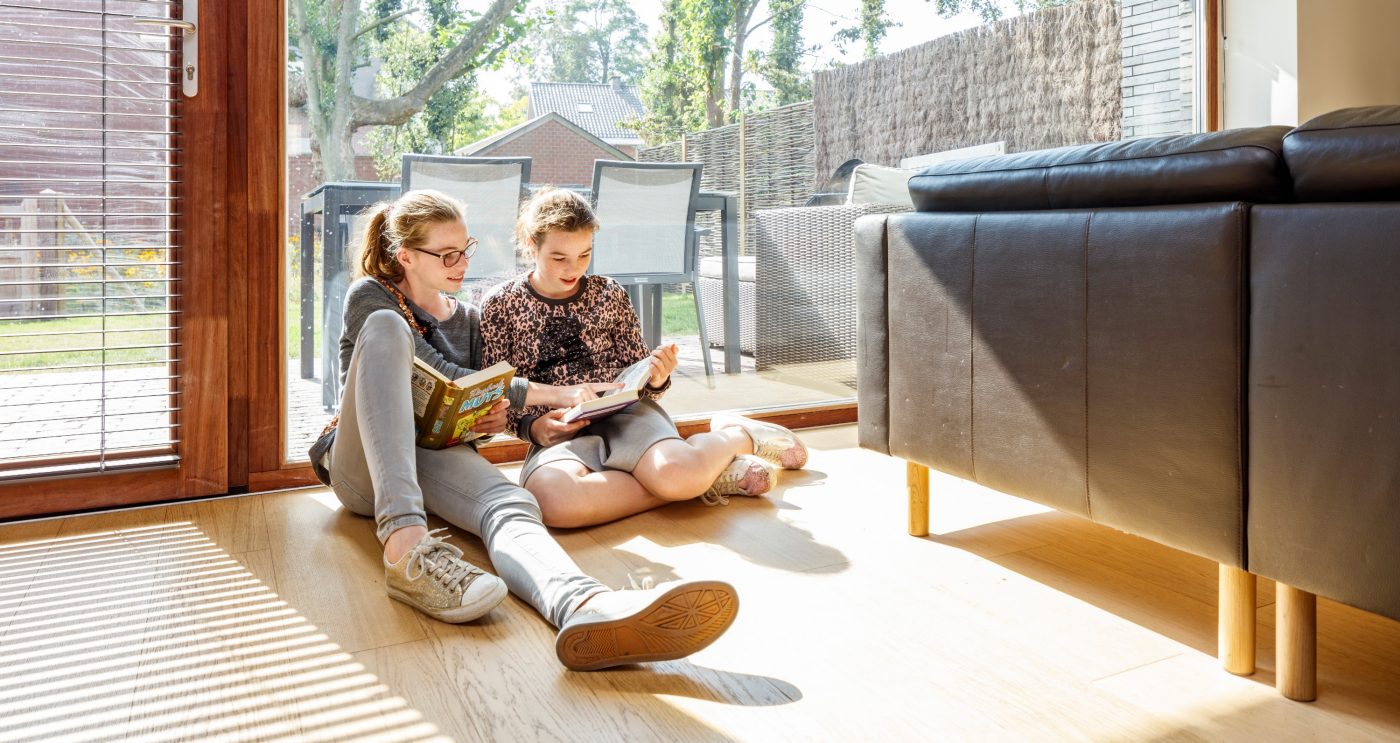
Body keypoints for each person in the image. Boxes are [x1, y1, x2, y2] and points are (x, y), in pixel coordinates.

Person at [321, 188, 737, 671]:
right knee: (387, 327)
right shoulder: (371, 296)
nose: (462, 263)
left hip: (431, 454)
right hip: (361, 469)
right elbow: (443, 373)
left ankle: (585, 606)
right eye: (447, 254)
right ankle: (405, 547)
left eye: (466, 249)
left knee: (512, 503)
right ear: (406, 256)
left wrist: (489, 421)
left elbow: (475, 400)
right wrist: (557, 394)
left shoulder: (470, 320)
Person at [479, 188, 809, 529]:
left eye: (585, 254)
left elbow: (640, 379)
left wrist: (657, 377)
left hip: (627, 416)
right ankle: (702, 479)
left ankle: (737, 435)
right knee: (554, 502)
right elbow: (496, 391)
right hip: (559, 430)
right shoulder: (501, 304)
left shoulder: (609, 294)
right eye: (559, 258)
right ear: (532, 245)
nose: (573, 268)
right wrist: (532, 428)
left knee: (676, 472)